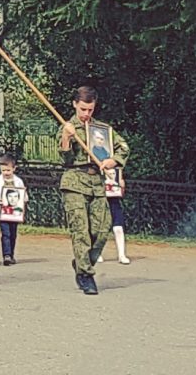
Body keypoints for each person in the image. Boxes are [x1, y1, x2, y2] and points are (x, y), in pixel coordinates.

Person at [59, 86, 129, 295]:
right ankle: (86, 275)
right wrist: (65, 138)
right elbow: (65, 159)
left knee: (100, 230)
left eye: (90, 109)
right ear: (74, 104)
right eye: (82, 109)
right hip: (74, 181)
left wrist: (112, 160)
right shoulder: (68, 127)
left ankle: (81, 262)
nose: (86, 114)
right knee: (80, 229)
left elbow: (123, 147)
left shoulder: (101, 130)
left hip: (97, 183)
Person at [0, 153, 28, 266]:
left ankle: (11, 254)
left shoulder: (18, 181)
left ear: (14, 169)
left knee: (13, 234)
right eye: (3, 170)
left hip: (15, 213)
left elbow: (23, 194)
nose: (6, 173)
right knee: (5, 233)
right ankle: (6, 255)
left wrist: (23, 200)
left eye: (8, 170)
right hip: (2, 213)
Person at [98, 169, 131, 265]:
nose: (111, 175)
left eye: (113, 173)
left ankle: (121, 255)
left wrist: (122, 186)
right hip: (101, 203)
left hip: (114, 203)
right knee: (101, 229)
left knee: (118, 228)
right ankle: (97, 253)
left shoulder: (117, 170)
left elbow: (121, 193)